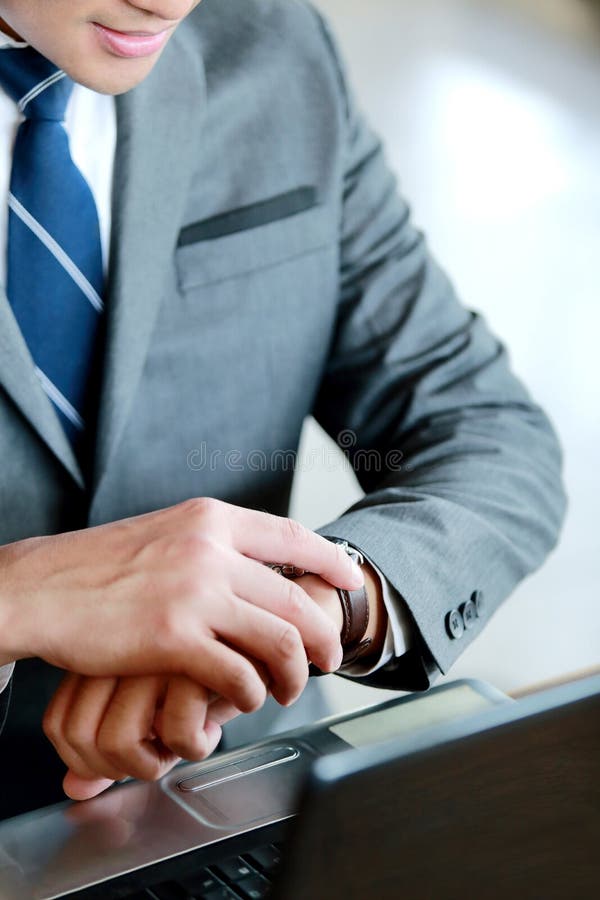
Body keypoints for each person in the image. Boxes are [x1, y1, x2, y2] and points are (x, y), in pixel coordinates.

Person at [0, 0, 565, 820]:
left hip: (234, 803)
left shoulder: (275, 48)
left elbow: (486, 429)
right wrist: (20, 597)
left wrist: (300, 611)